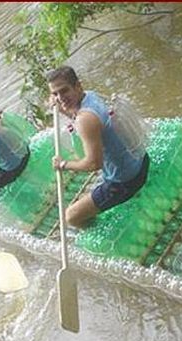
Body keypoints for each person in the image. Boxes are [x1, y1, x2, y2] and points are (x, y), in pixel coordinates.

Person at [47, 66, 150, 228]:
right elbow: (84, 119)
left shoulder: (85, 119)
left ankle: (98, 232)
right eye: (55, 94)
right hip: (142, 160)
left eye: (64, 91)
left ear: (77, 86)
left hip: (126, 181)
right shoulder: (90, 96)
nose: (60, 98)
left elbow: (94, 164)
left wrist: (63, 164)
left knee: (71, 217)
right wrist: (63, 109)